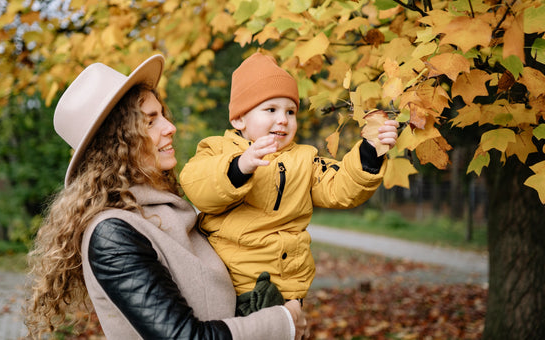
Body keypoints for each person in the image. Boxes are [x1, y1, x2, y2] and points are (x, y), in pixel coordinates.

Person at [24, 54, 307, 339]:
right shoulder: (113, 234)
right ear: (118, 142)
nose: (170, 127)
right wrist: (284, 322)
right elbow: (181, 336)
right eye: (150, 122)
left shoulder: (171, 210)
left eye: (162, 114)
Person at [179, 52, 399, 315]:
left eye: (290, 111)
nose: (283, 119)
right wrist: (241, 166)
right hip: (238, 286)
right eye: (270, 109)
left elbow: (340, 188)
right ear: (239, 119)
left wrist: (370, 153)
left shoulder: (305, 159)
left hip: (289, 286)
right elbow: (197, 185)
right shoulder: (218, 149)